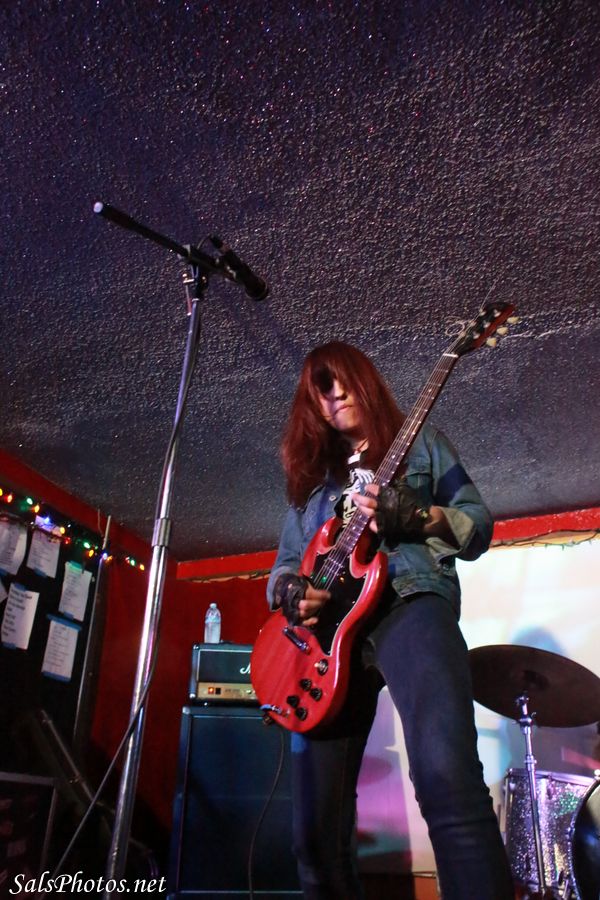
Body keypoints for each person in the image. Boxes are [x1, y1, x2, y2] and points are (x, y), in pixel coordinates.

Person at [266, 341, 514, 900]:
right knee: (313, 837)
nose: (334, 395)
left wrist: (415, 514)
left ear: (364, 380)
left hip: (409, 600)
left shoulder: (420, 443)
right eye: (320, 389)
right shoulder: (313, 482)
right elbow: (283, 566)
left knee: (448, 782)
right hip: (327, 643)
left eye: (340, 380)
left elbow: (478, 526)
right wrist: (290, 593)